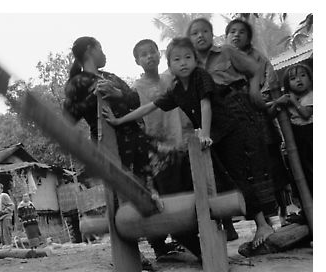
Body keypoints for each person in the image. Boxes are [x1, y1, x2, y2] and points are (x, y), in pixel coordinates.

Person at [103, 37, 274, 250]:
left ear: (195, 60)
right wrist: (120, 120)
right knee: (213, 183)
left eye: (187, 57)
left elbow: (206, 105)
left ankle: (262, 224)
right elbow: (149, 108)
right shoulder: (176, 89)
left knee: (236, 175)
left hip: (225, 133)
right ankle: (203, 236)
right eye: (177, 59)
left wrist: (204, 133)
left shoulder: (200, 77)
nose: (183, 63)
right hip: (203, 139)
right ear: (171, 64)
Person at [186, 18, 277, 249]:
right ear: (189, 39)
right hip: (213, 118)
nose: (201, 36)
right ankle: (253, 223)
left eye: (205, 31)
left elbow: (255, 69)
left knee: (252, 162)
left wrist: (255, 91)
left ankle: (266, 223)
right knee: (229, 171)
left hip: (237, 105)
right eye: (195, 32)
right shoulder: (190, 65)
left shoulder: (226, 51)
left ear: (211, 33)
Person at [63, 36, 168, 192]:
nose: (104, 54)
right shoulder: (77, 82)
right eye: (101, 49)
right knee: (122, 195)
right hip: (109, 146)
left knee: (148, 188)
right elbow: (69, 117)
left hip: (137, 142)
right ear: (90, 50)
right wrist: (94, 96)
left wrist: (118, 93)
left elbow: (134, 101)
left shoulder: (110, 77)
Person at [131, 39, 201, 257]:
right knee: (167, 198)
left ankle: (197, 240)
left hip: (182, 143)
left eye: (152, 52)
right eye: (143, 54)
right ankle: (176, 246)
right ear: (137, 61)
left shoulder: (171, 78)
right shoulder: (135, 89)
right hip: (158, 152)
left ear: (159, 55)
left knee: (190, 192)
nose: (149, 56)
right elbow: (138, 121)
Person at [225, 18, 292, 226]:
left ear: (249, 38)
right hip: (237, 129)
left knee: (274, 170)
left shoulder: (259, 59)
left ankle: (283, 213)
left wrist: (265, 102)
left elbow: (268, 89)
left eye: (241, 32)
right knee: (249, 175)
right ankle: (262, 223)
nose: (236, 35)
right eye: (232, 31)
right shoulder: (220, 60)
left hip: (262, 123)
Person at [269, 64, 313, 196]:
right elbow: (271, 114)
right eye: (293, 78)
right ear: (288, 84)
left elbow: (305, 114)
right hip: (297, 138)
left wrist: (294, 102)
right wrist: (277, 103)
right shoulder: (288, 99)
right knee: (304, 171)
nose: (299, 80)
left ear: (310, 79)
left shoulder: (312, 96)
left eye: (303, 75)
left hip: (311, 134)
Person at [0, 182, 14, 247]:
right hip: (0, 218)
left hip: (6, 217)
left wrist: (3, 211)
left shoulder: (4, 195)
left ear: (1, 189)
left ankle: (9, 248)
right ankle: (5, 247)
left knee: (6, 233)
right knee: (2, 234)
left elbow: (11, 205)